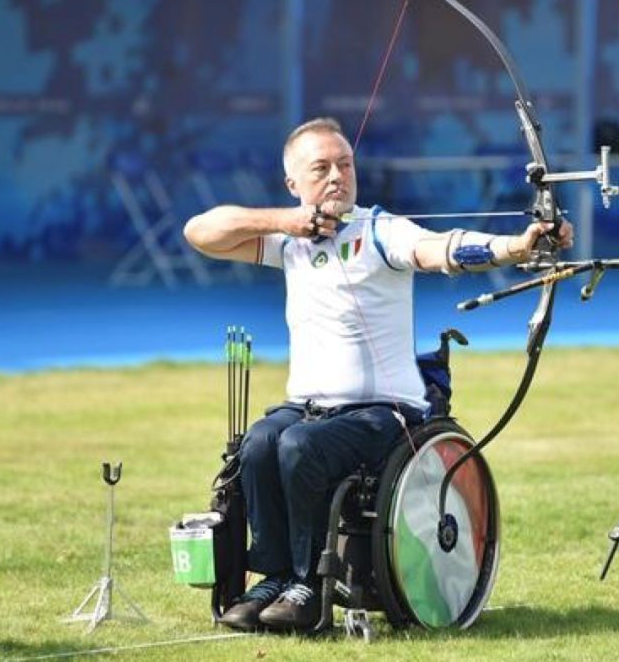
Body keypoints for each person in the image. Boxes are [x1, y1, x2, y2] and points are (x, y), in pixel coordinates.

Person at [183, 117, 573, 631]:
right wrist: (287, 221)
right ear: (293, 183)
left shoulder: (380, 232)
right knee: (259, 442)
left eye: (345, 165)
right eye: (321, 168)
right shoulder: (288, 240)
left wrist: (518, 247)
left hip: (382, 415)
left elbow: (441, 249)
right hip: (309, 408)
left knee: (299, 445)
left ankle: (307, 584)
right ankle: (275, 577)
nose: (337, 176)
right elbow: (199, 232)